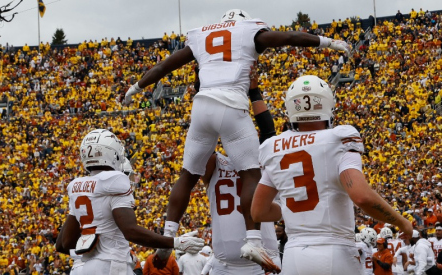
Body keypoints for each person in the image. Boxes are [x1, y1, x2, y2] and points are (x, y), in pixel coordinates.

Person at [123, 9, 350, 267]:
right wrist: (327, 42)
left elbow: (165, 66)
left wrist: (136, 87)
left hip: (201, 106)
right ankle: (253, 238)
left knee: (187, 175)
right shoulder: (248, 31)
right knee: (251, 174)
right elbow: (287, 37)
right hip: (232, 104)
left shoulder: (202, 36)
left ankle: (168, 236)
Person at [250, 75, 413, 275]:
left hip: (294, 255)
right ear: (328, 104)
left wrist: (294, 208)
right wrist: (401, 221)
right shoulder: (339, 138)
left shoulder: (273, 146)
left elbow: (258, 212)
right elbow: (361, 196)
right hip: (336, 252)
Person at [55, 129, 204, 275]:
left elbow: (64, 244)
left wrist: (94, 242)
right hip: (112, 265)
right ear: (111, 153)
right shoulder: (115, 179)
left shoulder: (77, 186)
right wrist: (176, 242)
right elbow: (130, 230)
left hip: (85, 267)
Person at [198, 65, 281, 274]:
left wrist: (254, 92)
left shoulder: (263, 159)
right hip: (225, 264)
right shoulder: (216, 163)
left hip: (264, 259)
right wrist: (202, 91)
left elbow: (269, 131)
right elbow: (203, 135)